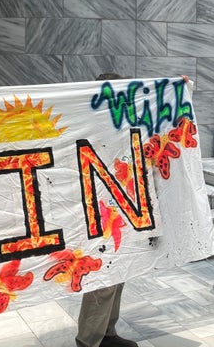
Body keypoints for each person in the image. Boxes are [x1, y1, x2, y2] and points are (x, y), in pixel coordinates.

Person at [76, 72, 138, 347]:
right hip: (96, 213)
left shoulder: (120, 123)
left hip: (119, 212)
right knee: (102, 278)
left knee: (117, 274)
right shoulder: (88, 124)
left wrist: (180, 88)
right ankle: (89, 339)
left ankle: (106, 333)